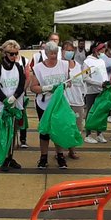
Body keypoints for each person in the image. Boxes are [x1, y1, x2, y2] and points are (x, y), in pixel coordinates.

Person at [29, 40, 71, 169]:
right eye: (51, 53)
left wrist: (65, 85)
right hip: (44, 103)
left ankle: (60, 155)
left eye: (55, 53)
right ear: (46, 53)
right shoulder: (38, 68)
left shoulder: (64, 65)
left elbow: (69, 82)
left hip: (59, 103)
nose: (53, 56)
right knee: (45, 131)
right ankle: (43, 157)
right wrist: (47, 88)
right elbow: (33, 87)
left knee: (58, 129)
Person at [0, 39, 26, 170]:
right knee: (3, 131)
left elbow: (21, 85)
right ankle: (3, 158)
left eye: (16, 53)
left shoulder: (19, 67)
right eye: (11, 54)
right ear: (5, 53)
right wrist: (5, 101)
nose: (14, 56)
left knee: (13, 132)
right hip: (2, 105)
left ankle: (10, 157)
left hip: (15, 104)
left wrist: (14, 98)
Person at [61, 43, 86, 160]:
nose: (69, 52)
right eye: (67, 50)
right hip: (65, 102)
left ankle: (72, 150)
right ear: (62, 51)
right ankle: (60, 152)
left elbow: (83, 81)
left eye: (71, 50)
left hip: (78, 101)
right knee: (64, 127)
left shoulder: (79, 66)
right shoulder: (60, 65)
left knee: (77, 127)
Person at [82, 41, 110, 142]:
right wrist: (99, 84)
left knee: (101, 112)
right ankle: (88, 134)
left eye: (104, 49)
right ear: (95, 50)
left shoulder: (101, 61)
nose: (103, 51)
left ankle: (99, 133)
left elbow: (104, 74)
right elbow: (85, 78)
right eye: (101, 49)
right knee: (90, 111)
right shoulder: (87, 62)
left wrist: (106, 84)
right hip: (91, 91)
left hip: (102, 90)